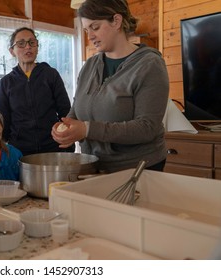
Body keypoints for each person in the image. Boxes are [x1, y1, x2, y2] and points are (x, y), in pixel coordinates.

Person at [52, 0, 169, 173]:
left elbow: (147, 128)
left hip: (137, 169)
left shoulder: (150, 65)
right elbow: (76, 110)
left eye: (95, 27)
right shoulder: (89, 66)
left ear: (116, 21)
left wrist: (87, 129)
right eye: (86, 30)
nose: (90, 36)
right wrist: (67, 128)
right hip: (94, 166)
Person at [0, 27, 74, 156]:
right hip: (20, 151)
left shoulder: (50, 75)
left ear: (37, 47)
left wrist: (68, 140)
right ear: (12, 51)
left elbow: (65, 111)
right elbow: (3, 120)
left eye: (32, 42)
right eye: (21, 43)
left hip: (53, 147)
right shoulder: (6, 83)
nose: (28, 47)